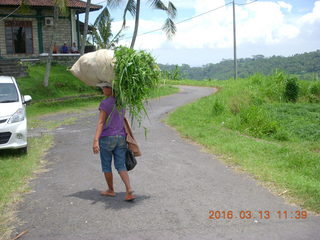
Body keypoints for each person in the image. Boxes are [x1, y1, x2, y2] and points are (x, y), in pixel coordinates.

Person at [93, 82, 135, 201]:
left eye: (104, 87)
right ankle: (129, 190)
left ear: (111, 89)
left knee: (106, 165)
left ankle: (111, 190)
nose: (102, 89)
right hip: (121, 137)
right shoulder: (121, 102)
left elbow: (101, 122)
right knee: (120, 165)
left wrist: (95, 140)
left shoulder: (105, 103)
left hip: (107, 138)